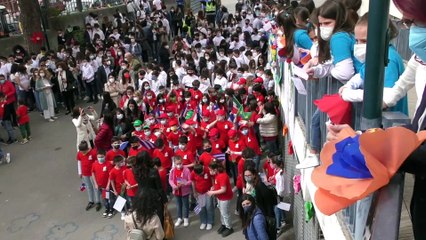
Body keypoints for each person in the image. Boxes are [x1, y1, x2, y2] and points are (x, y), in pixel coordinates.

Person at [207, 161, 234, 237]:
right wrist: (214, 188)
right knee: (221, 212)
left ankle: (229, 227)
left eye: (210, 170)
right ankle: (224, 224)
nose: (209, 172)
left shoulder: (222, 176)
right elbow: (218, 185)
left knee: (225, 213)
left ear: (215, 169)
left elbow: (223, 189)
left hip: (225, 198)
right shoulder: (217, 175)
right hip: (220, 197)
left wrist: (213, 192)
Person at [169, 155, 192, 227]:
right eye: (177, 164)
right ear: (174, 164)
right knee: (178, 206)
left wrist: (184, 183)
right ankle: (179, 218)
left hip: (185, 191)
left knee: (185, 205)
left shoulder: (186, 170)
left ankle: (186, 218)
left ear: (182, 162)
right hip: (176, 191)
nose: (179, 165)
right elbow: (170, 180)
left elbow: (190, 181)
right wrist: (174, 186)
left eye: (180, 163)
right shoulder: (172, 170)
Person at [76, 140, 99, 211]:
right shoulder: (79, 153)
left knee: (95, 187)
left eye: (84, 152)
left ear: (87, 149)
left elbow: (96, 162)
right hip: (85, 173)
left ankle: (98, 201)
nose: (82, 153)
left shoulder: (93, 153)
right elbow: (79, 162)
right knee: (88, 187)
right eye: (81, 152)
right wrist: (80, 172)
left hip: (93, 174)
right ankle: (91, 201)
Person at [191, 162, 214, 230]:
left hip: (208, 192)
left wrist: (213, 187)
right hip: (199, 193)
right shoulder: (193, 173)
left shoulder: (207, 169)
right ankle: (203, 221)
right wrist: (194, 192)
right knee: (201, 208)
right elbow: (193, 182)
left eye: (201, 173)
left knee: (209, 207)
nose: (200, 175)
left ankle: (210, 222)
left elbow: (212, 178)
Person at [91, 148, 112, 214]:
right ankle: (106, 208)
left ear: (105, 156)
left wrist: (108, 185)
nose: (100, 158)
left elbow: (110, 175)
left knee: (109, 198)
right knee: (104, 198)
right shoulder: (94, 164)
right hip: (100, 186)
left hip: (107, 186)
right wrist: (95, 184)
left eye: (102, 157)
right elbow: (93, 173)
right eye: (99, 157)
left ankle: (111, 209)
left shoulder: (108, 164)